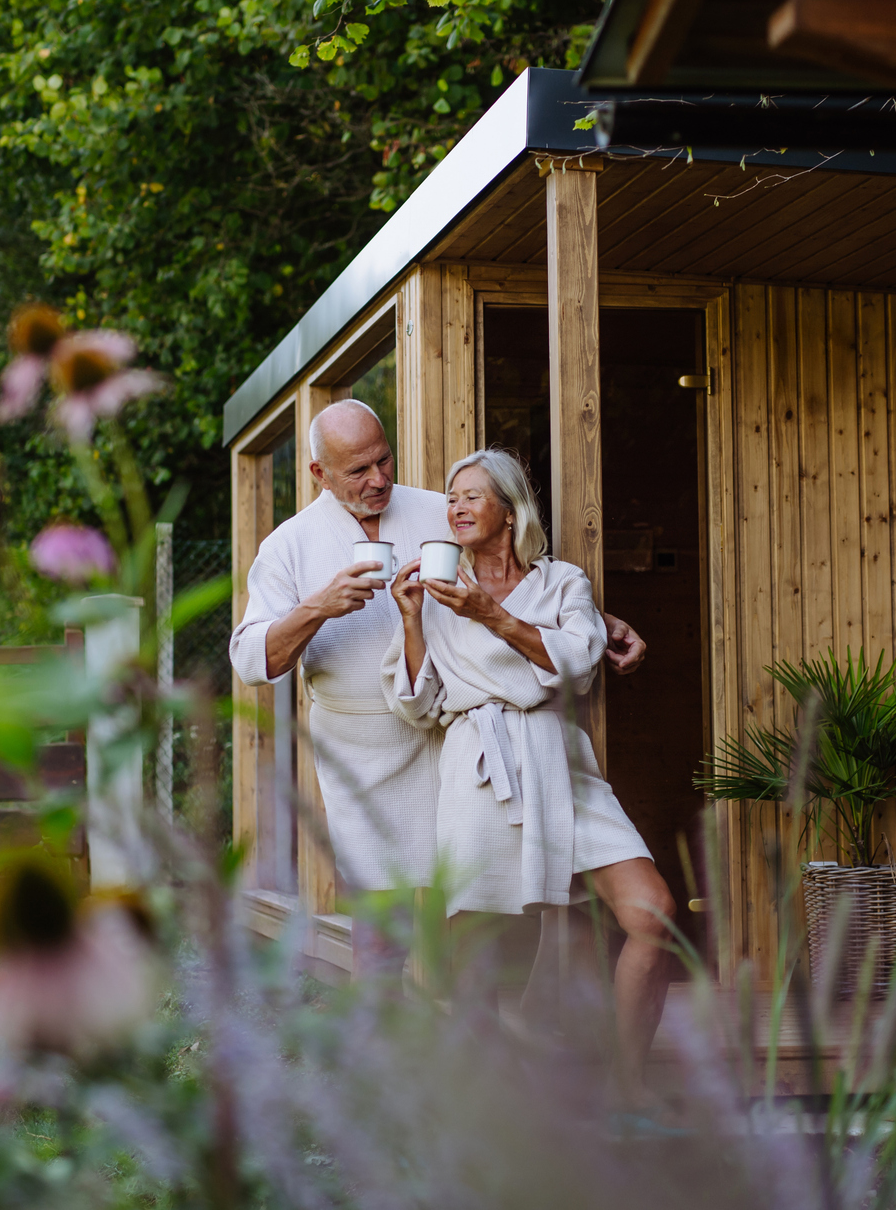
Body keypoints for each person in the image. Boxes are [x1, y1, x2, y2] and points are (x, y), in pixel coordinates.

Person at [228, 402, 648, 977]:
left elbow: (512, 577)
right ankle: (382, 1056)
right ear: (319, 473)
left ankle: (484, 1048)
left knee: (485, 914)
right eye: (358, 471)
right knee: (384, 920)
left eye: (384, 459)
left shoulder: (437, 510)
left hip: (459, 741)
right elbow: (253, 659)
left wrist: (601, 623)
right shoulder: (289, 545)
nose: (379, 480)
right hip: (366, 751)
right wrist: (318, 607)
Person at [383, 446, 676, 1107]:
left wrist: (491, 616)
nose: (455, 506)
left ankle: (627, 1084)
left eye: (472, 495)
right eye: (450, 496)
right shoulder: (433, 589)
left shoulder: (562, 583)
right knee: (446, 952)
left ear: (511, 511)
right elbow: (416, 704)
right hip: (477, 762)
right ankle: (447, 1095)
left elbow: (577, 660)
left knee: (652, 914)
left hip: (557, 757)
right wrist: (409, 621)